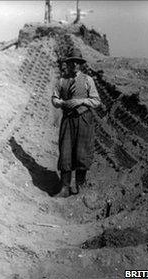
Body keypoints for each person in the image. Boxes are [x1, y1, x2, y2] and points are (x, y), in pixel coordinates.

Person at [51, 48, 101, 197]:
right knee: (65, 151)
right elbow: (54, 99)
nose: (74, 65)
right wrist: (62, 103)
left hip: (84, 120)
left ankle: (80, 186)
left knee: (82, 152)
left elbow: (96, 101)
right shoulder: (62, 80)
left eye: (77, 62)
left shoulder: (88, 80)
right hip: (68, 120)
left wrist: (80, 101)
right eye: (72, 62)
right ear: (68, 63)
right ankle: (65, 187)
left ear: (80, 64)